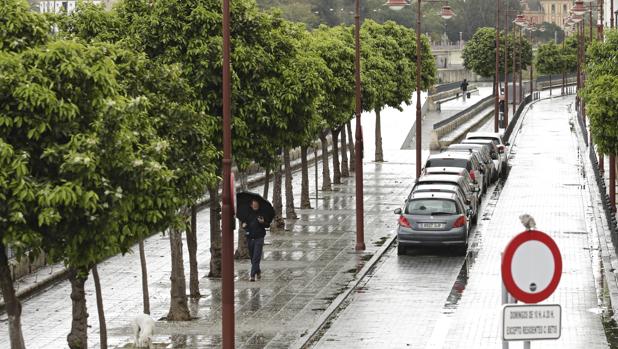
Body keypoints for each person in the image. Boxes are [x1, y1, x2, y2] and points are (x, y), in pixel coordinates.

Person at [242, 199, 268, 281]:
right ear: (251, 205)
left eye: (257, 205)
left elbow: (267, 225)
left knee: (256, 256)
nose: (256, 206)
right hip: (250, 238)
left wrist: (263, 222)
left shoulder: (262, 213)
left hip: (259, 238)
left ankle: (252, 275)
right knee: (252, 257)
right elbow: (244, 224)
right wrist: (244, 225)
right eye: (254, 205)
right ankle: (258, 271)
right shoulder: (247, 214)